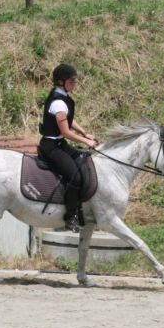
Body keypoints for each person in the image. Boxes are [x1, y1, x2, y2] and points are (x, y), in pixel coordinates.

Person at [37, 63, 97, 232]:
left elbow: (69, 121)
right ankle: (69, 217)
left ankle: (81, 208)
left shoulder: (63, 97)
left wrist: (85, 133)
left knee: (82, 161)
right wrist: (86, 142)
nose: (74, 84)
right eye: (72, 81)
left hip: (60, 144)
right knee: (75, 177)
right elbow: (66, 131)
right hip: (51, 147)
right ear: (61, 82)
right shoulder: (58, 102)